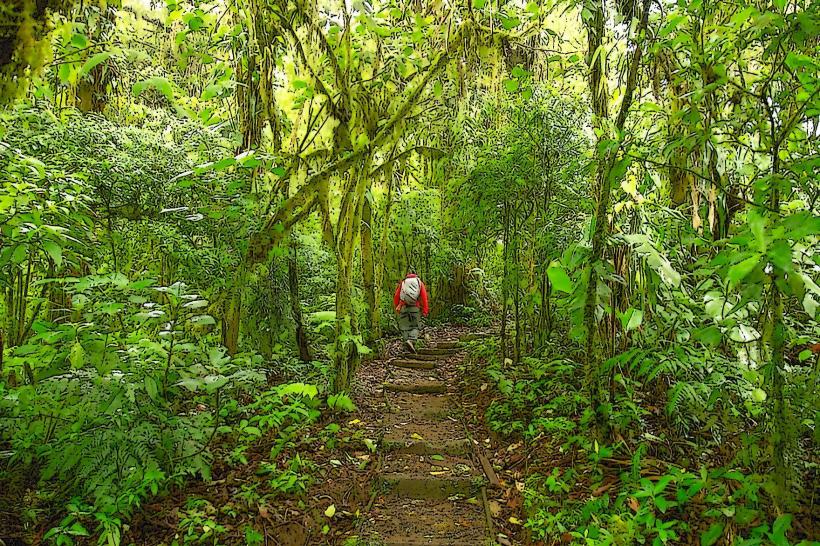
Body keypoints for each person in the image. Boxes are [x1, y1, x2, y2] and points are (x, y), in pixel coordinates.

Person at [393, 270, 429, 353]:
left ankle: (406, 344)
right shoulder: (419, 282)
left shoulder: (403, 283)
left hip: (403, 307)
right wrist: (425, 310)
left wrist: (397, 306)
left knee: (405, 327)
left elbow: (397, 296)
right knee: (415, 326)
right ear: (416, 274)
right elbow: (424, 297)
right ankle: (411, 340)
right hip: (415, 307)